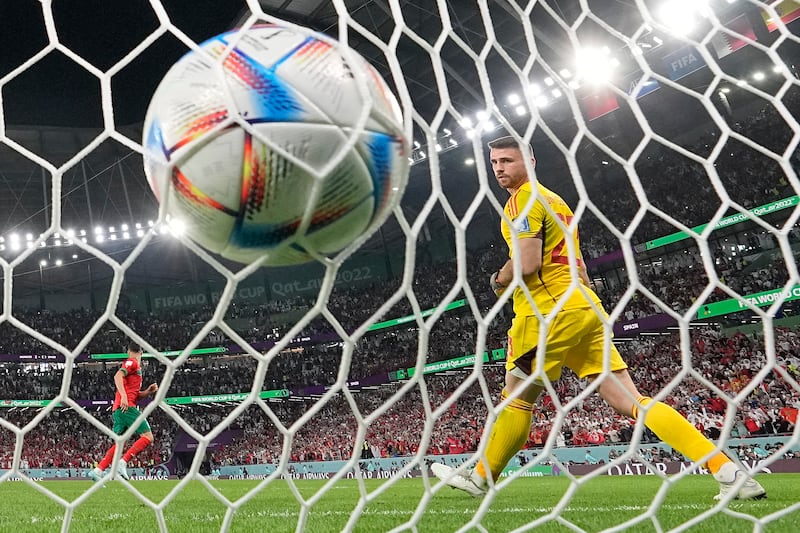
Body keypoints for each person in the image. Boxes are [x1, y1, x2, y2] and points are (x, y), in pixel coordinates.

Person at [431, 135, 766, 501]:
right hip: (584, 308)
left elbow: (527, 263)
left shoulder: (522, 201)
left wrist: (497, 280)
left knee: (517, 398)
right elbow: (578, 265)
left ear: (530, 161)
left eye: (507, 161)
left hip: (548, 313)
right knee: (631, 401)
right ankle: (728, 471)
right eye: (494, 162)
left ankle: (480, 478)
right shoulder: (556, 202)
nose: (499, 169)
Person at [88, 342, 158, 481]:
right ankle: (123, 462)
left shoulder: (135, 370)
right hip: (126, 408)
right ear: (141, 353)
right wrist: (124, 397)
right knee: (148, 437)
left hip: (120, 410)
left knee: (121, 443)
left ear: (128, 351)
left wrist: (148, 392)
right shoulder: (132, 362)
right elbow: (117, 376)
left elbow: (136, 395)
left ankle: (98, 470)